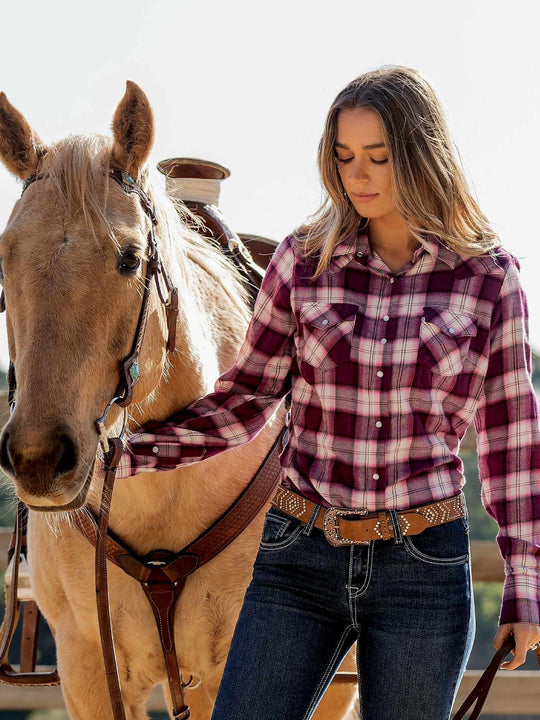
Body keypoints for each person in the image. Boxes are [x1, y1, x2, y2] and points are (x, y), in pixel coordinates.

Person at [116, 65, 540, 719]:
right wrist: (128, 453)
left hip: (421, 566)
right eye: (344, 157)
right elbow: (247, 399)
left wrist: (525, 584)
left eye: (378, 156)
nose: (358, 176)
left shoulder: (489, 281)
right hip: (299, 556)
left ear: (424, 157)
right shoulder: (302, 262)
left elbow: (513, 446)